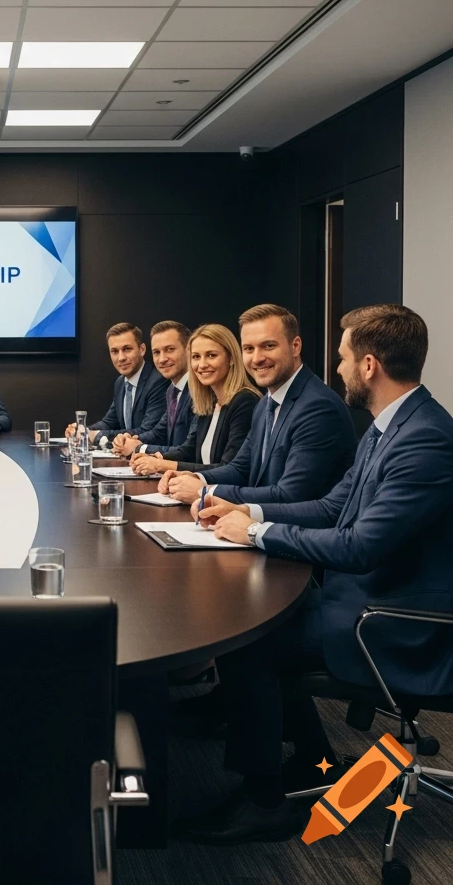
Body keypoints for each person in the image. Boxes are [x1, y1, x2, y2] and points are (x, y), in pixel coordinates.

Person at [176, 305, 453, 845]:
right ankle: (311, 758)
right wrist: (248, 515)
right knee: (263, 623)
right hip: (362, 599)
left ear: (369, 364)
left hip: (396, 623)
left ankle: (263, 802)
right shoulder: (389, 427)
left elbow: (361, 545)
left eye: (345, 356)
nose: (341, 367)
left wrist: (255, 534)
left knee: (250, 643)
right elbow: (331, 507)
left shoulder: (424, 438)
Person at [156, 304, 356, 505]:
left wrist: (207, 492)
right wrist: (195, 478)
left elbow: (290, 495)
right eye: (249, 349)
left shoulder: (318, 407)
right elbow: (241, 467)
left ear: (295, 346)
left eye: (268, 346)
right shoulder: (265, 403)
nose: (257, 358)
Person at [127, 324, 259, 476]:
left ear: (231, 358)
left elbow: (229, 468)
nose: (202, 365)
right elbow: (189, 450)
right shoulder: (208, 401)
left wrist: (161, 464)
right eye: (196, 357)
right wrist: (151, 458)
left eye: (212, 355)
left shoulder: (245, 401)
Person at [67, 322, 166, 446]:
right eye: (114, 351)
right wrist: (82, 431)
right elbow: (109, 422)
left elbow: (146, 431)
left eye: (127, 349)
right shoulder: (120, 382)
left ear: (142, 350)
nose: (121, 358)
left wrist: (96, 436)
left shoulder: (158, 381)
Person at [110, 320, 192, 457]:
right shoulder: (172, 390)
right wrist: (130, 440)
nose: (162, 359)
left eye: (169, 349)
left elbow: (189, 450)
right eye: (156, 352)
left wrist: (140, 448)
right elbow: (159, 432)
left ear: (188, 349)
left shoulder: (199, 391)